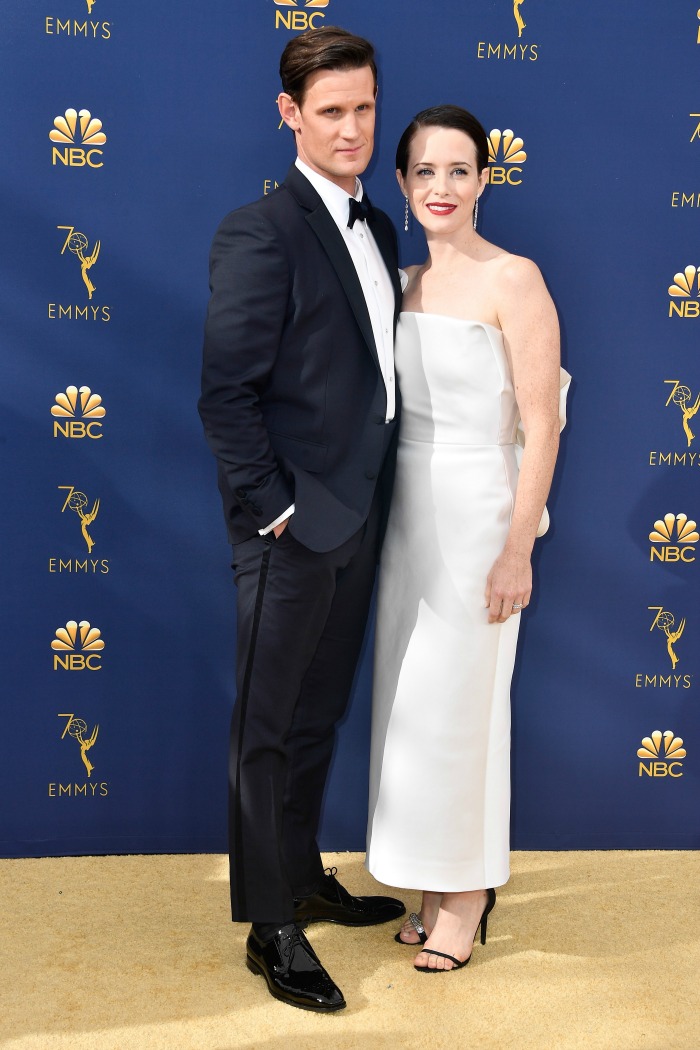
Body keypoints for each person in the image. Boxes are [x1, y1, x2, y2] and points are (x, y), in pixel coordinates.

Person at [198, 27, 405, 1013]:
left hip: (360, 516)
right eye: (331, 111)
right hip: (288, 522)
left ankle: (304, 873)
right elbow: (225, 395)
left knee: (319, 713)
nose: (352, 128)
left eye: (364, 108)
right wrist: (272, 508)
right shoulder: (259, 229)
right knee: (268, 725)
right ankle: (268, 925)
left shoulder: (382, 226)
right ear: (289, 114)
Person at [365, 105, 566, 973]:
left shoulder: (514, 278)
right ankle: (427, 882)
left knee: (464, 711)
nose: (440, 187)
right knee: (411, 710)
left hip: (481, 511)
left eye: (458, 170)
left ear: (484, 180)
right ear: (402, 187)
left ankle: (468, 895)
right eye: (424, 173)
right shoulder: (400, 283)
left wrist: (517, 545)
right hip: (405, 515)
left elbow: (543, 424)